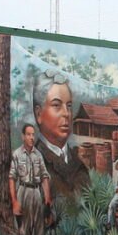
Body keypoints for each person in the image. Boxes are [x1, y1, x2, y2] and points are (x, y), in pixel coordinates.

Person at [33, 68, 90, 201]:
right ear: (39, 114)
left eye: (69, 106)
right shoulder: (32, 164)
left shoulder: (79, 167)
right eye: (57, 105)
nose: (66, 113)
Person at [9, 123, 52, 235]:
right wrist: (14, 201)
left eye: (33, 134)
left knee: (40, 234)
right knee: (24, 234)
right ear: (23, 136)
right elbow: (12, 179)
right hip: (23, 192)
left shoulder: (38, 155)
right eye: (28, 134)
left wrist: (47, 199)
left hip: (36, 193)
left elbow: (45, 177)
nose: (31, 137)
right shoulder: (17, 155)